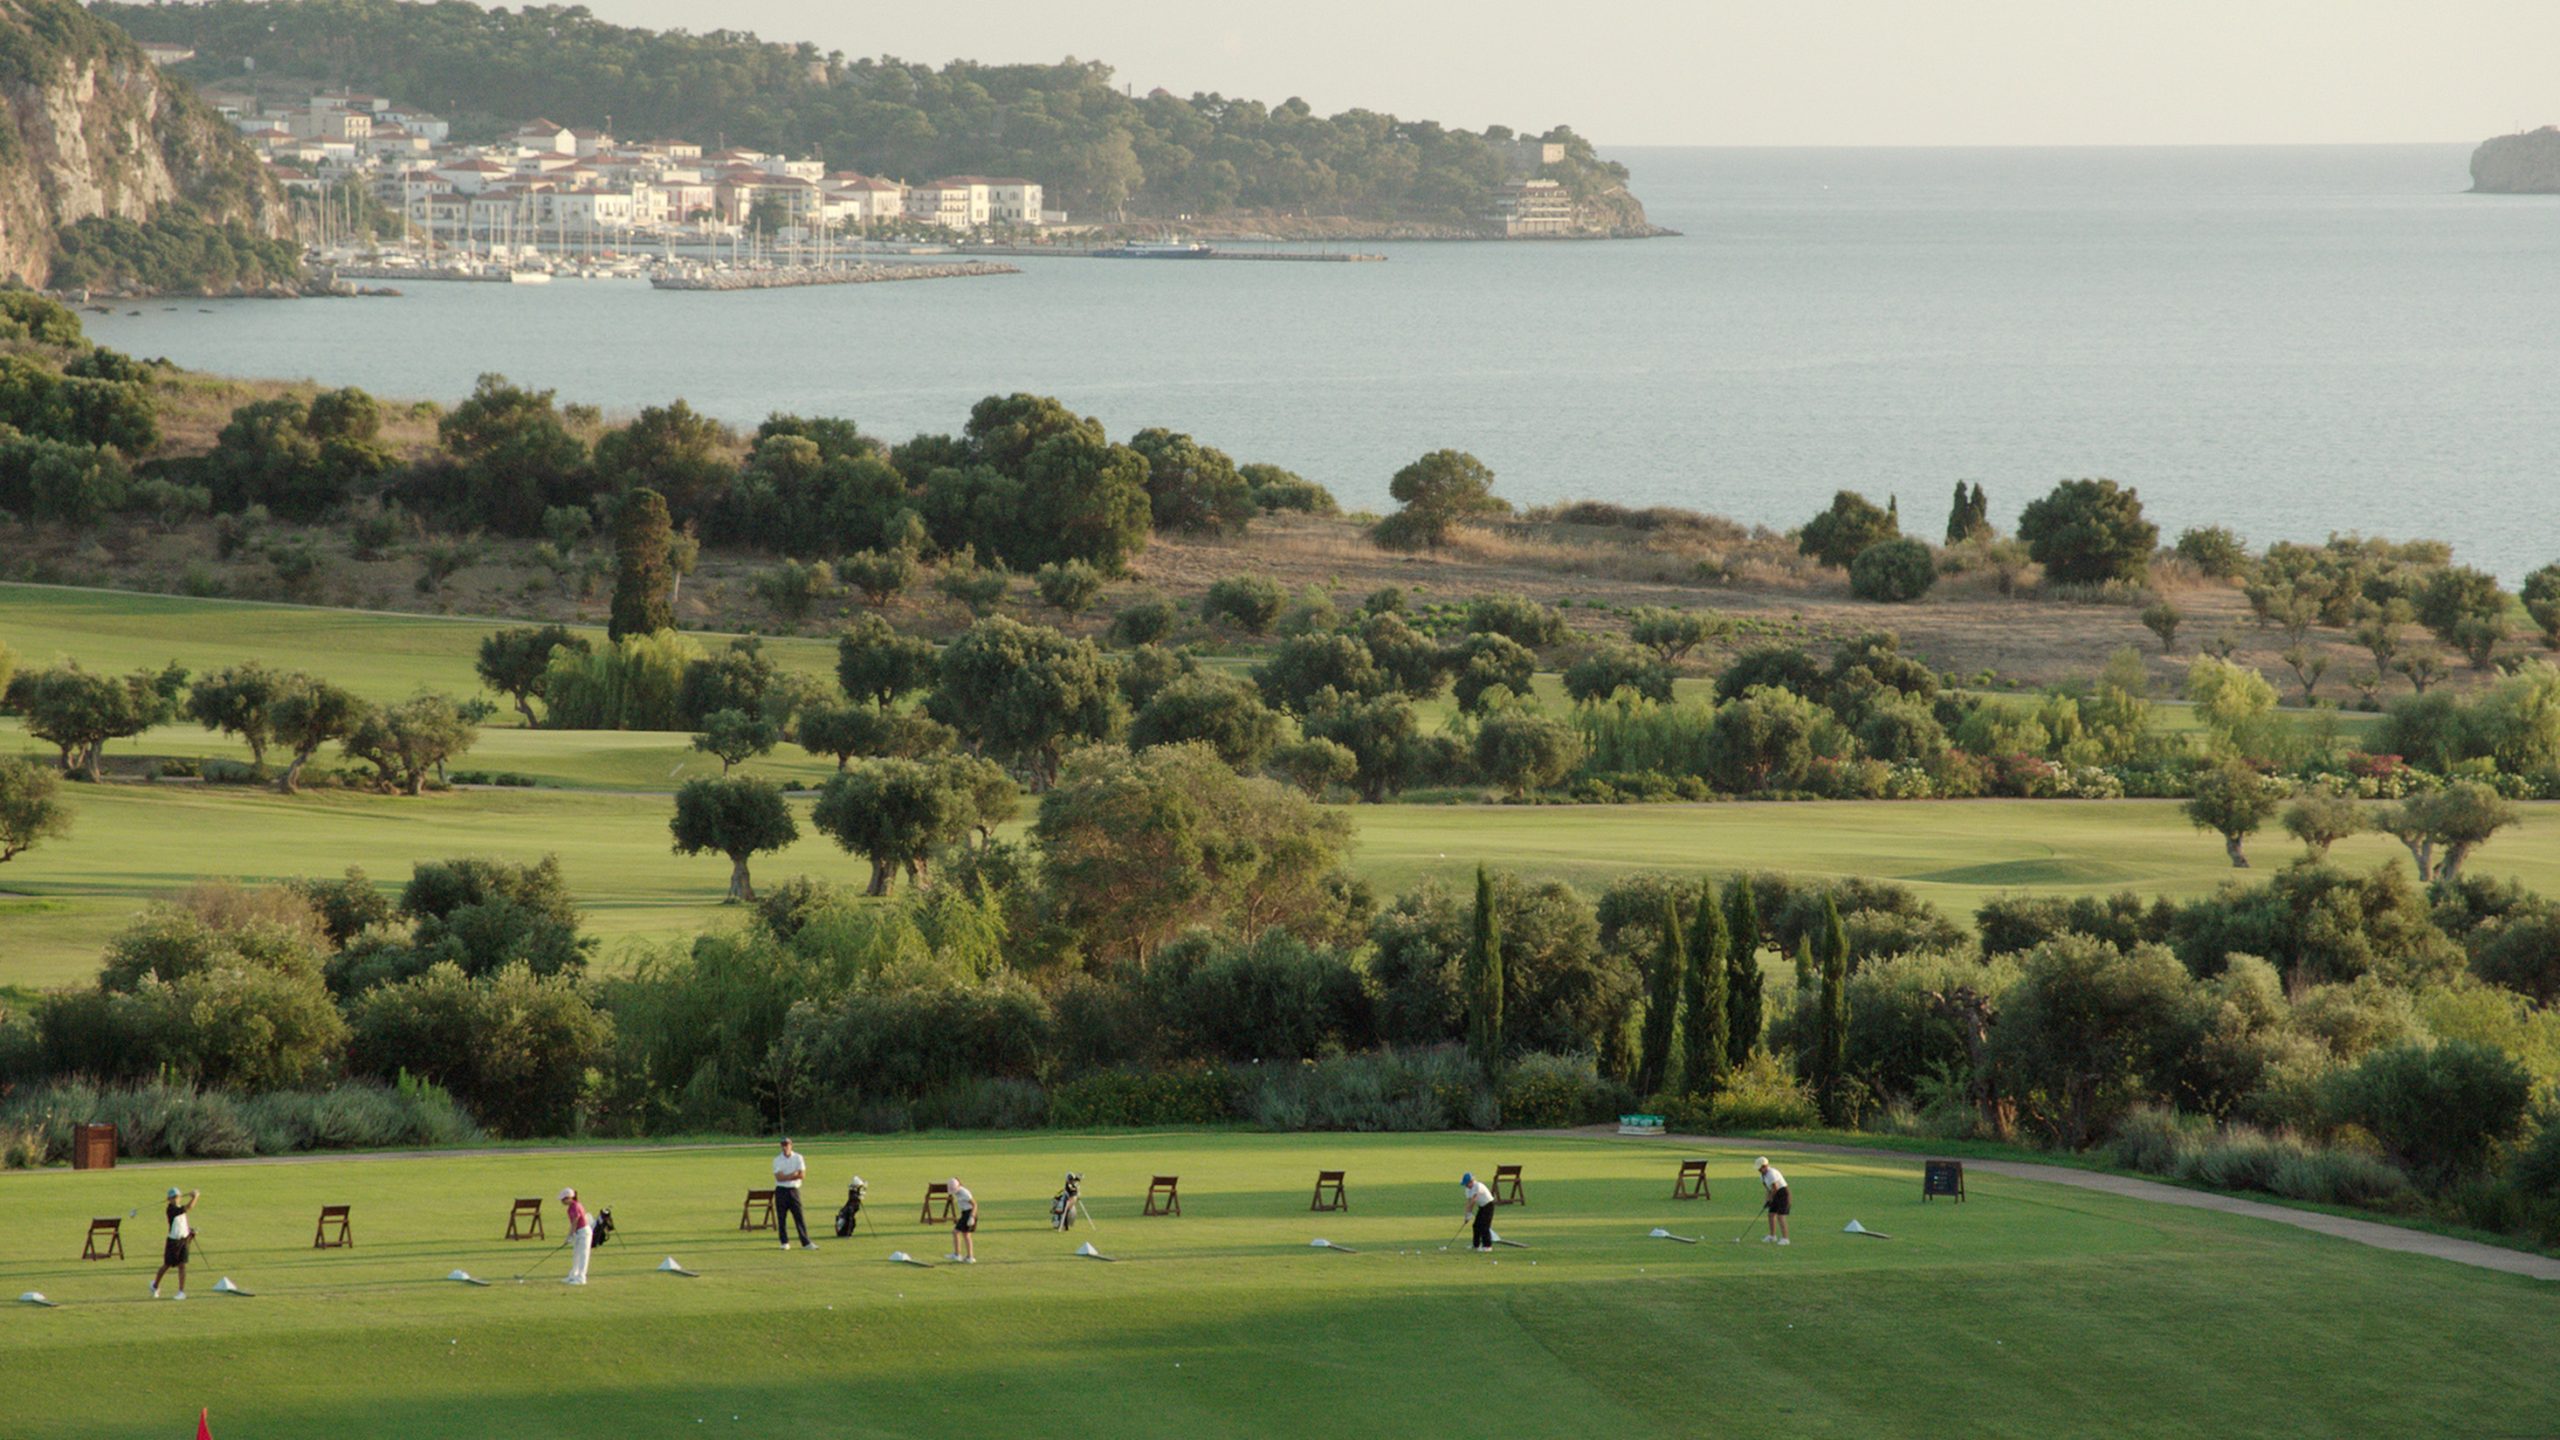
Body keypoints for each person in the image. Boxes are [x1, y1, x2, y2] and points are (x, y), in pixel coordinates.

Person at [152, 1187, 199, 1300]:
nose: (176, 1199)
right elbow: (189, 1207)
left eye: (177, 1197)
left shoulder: (178, 1207)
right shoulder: (171, 1210)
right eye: (173, 1197)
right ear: (169, 1199)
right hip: (173, 1242)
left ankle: (181, 1291)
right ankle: (155, 1286)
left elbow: (182, 1223)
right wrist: (195, 1197)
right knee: (167, 1265)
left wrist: (190, 1231)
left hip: (183, 1240)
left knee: (182, 1265)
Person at [772, 1138, 813, 1250]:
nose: (785, 1147)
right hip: (781, 1190)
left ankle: (805, 1242)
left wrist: (788, 1176)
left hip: (794, 1190)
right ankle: (784, 1242)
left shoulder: (798, 1157)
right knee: (782, 1218)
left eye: (787, 1145)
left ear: (791, 1145)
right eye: (783, 1145)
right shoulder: (777, 1160)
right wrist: (793, 1174)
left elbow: (802, 1175)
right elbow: (779, 1178)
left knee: (799, 1217)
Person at [1756, 1156, 1792, 1245]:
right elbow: (1768, 1189)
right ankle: (1772, 1236)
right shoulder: (1763, 1176)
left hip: (1783, 1194)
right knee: (1771, 1214)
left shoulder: (1772, 1173)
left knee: (1780, 1216)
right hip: (1774, 1194)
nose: (1759, 1171)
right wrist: (1766, 1200)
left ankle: (1785, 1239)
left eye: (1760, 1168)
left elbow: (1775, 1188)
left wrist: (1770, 1199)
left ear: (1765, 1166)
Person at [561, 1187, 594, 1283]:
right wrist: (570, 1236)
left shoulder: (576, 1206)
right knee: (576, 1254)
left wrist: (570, 1236)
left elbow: (575, 1222)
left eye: (563, 1199)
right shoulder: (571, 1207)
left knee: (583, 1255)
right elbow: (572, 1224)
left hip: (584, 1232)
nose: (562, 1202)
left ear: (569, 1198)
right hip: (578, 1232)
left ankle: (581, 1278)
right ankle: (573, 1275)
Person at [1460, 1172, 1498, 1252]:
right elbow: (1468, 1202)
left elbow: (1474, 1200)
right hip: (1482, 1207)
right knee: (1476, 1225)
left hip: (1489, 1205)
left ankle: (1487, 1246)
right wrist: (1467, 1215)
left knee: (1484, 1226)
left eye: (1467, 1184)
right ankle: (1476, 1245)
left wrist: (1470, 1213)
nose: (1466, 1186)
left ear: (1471, 1182)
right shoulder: (1468, 1189)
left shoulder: (1478, 1186)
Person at [946, 1177, 977, 1263]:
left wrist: (972, 1217)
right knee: (956, 1232)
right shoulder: (957, 1192)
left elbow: (974, 1205)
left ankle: (970, 1257)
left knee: (966, 1235)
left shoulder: (965, 1193)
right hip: (964, 1213)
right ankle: (957, 1254)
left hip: (969, 1213)